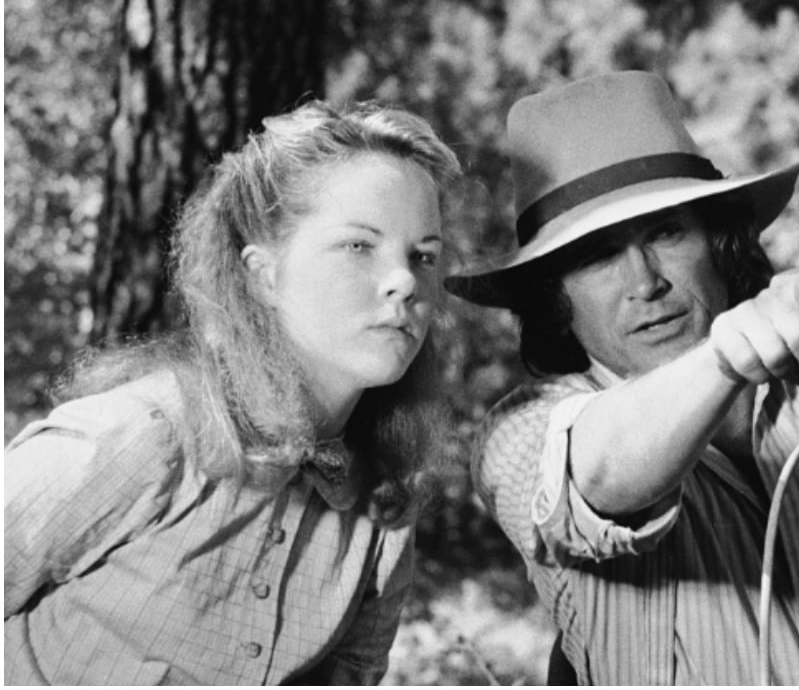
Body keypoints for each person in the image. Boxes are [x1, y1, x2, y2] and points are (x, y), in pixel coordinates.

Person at [447, 71, 799, 685]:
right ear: (555, 300)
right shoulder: (520, 434)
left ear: (721, 244)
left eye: (666, 233)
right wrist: (724, 358)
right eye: (597, 257)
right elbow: (599, 476)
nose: (644, 283)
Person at [5, 100, 462, 685]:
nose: (404, 280)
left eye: (423, 255)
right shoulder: (144, 434)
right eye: (358, 245)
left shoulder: (384, 505)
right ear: (263, 274)